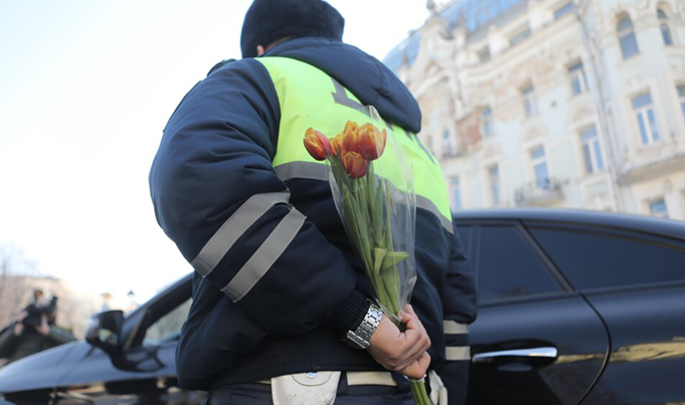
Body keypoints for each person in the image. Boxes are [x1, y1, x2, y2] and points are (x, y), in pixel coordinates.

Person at [149, 0, 477, 404]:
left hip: (295, 382)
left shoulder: (261, 77)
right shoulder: (415, 145)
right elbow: (456, 301)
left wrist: (359, 319)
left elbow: (195, 175)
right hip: (419, 388)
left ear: (258, 48)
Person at [0, 292, 75, 365]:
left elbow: (75, 345)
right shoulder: (21, 329)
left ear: (53, 313)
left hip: (39, 374)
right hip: (13, 374)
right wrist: (14, 332)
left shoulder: (58, 332)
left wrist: (49, 332)